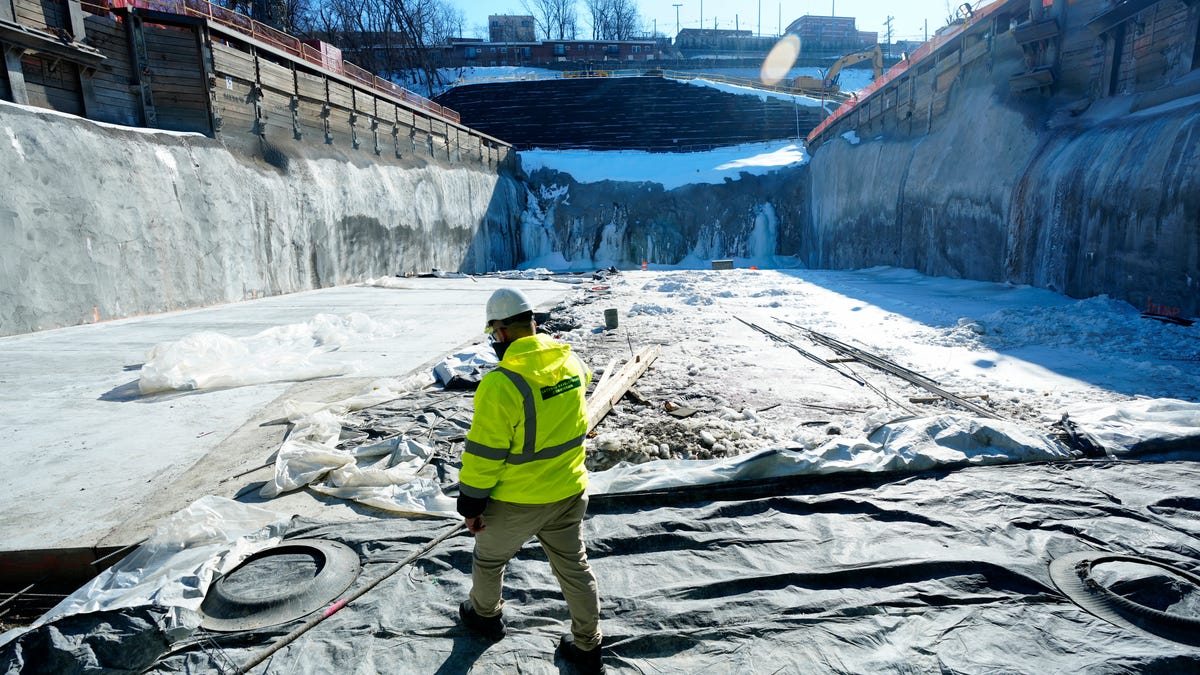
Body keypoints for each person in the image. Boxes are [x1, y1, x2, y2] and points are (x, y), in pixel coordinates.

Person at [457, 287, 605, 674]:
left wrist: (471, 503)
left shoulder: (501, 384)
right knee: (574, 568)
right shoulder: (571, 361)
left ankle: (486, 617)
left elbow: (485, 455)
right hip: (570, 491)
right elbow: (577, 385)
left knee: (489, 560)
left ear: (501, 333)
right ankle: (588, 646)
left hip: (516, 501)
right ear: (533, 323)